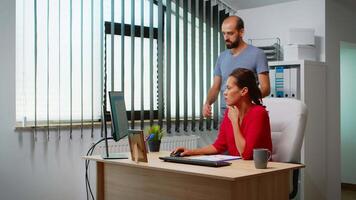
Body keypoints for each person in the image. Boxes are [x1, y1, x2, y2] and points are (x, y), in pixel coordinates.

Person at [173, 68, 272, 160]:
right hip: (238, 168)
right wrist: (191, 152)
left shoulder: (259, 113)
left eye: (229, 88)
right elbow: (219, 146)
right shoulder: (230, 112)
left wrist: (234, 122)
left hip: (257, 171)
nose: (225, 92)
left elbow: (246, 154)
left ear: (244, 91)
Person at [203, 15, 270, 118]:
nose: (226, 37)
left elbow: (265, 88)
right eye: (224, 33)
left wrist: (244, 101)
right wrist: (207, 102)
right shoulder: (222, 57)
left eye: (230, 33)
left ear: (241, 32)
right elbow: (216, 87)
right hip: (225, 115)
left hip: (247, 113)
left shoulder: (258, 54)